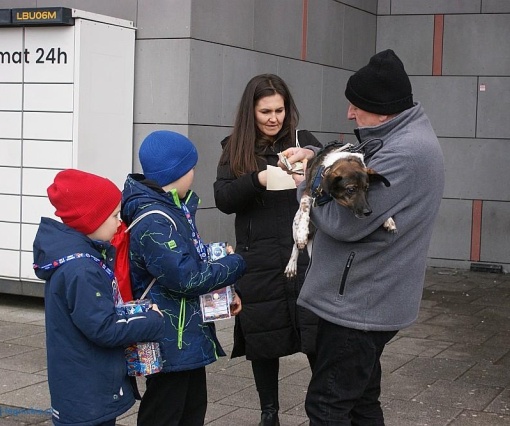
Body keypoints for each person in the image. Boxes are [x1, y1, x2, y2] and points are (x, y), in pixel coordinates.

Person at [282, 49, 445, 425]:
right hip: (365, 298)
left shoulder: (404, 153)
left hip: (360, 304)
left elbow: (344, 223)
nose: (349, 114)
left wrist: (305, 185)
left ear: (383, 109)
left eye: (356, 106)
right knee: (360, 403)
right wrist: (312, 154)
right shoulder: (399, 135)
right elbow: (348, 159)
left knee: (327, 405)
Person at [213, 73, 322, 426]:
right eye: (265, 112)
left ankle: (325, 407)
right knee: (263, 336)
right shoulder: (236, 147)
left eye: (279, 109)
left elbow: (332, 165)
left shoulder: (302, 140)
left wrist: (312, 155)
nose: (274, 118)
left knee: (315, 332)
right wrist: (258, 178)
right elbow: (223, 198)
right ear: (251, 112)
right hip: (257, 256)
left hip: (300, 253)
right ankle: (268, 412)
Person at [120, 130, 247, 426]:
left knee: (190, 410)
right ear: (177, 171)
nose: (193, 173)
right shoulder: (155, 218)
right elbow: (185, 277)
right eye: (191, 167)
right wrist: (235, 264)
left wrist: (227, 289)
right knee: (165, 412)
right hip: (169, 339)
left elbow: (190, 260)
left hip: (184, 336)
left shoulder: (173, 209)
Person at [32, 169, 165, 426]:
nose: (119, 222)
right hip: (86, 393)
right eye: (114, 215)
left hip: (83, 388)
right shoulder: (81, 269)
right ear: (90, 220)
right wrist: (151, 321)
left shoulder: (81, 260)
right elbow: (104, 327)